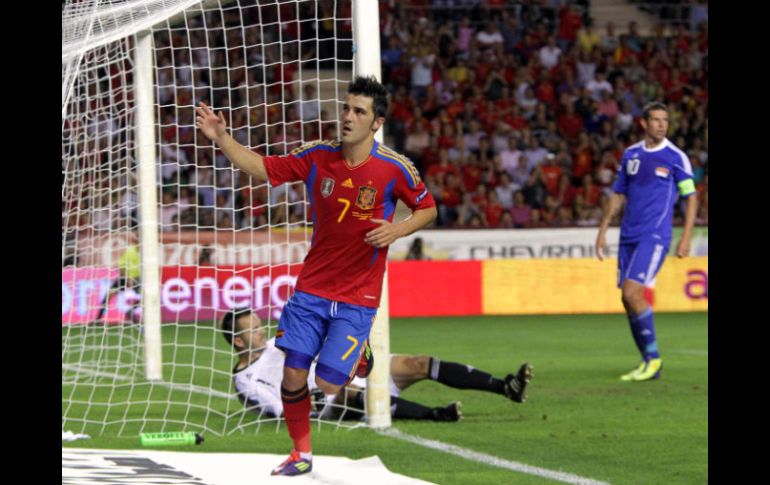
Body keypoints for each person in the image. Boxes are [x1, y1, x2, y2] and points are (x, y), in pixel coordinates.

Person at [196, 76, 438, 476]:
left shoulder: (395, 169)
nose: (347, 117)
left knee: (328, 383)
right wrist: (222, 137)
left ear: (376, 123)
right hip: (312, 288)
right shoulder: (317, 157)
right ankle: (301, 454)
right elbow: (263, 168)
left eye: (358, 112)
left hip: (358, 294)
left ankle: (360, 353)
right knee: (292, 372)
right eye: (346, 108)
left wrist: (398, 229)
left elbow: (428, 208)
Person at [221, 309, 533, 422]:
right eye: (253, 329)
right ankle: (435, 415)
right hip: (327, 401)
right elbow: (275, 408)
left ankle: (506, 387)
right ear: (237, 342)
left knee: (417, 362)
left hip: (342, 374)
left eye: (260, 325)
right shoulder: (245, 380)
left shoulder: (279, 342)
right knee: (349, 393)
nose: (261, 331)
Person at [595, 102, 698, 382]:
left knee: (632, 293)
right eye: (656, 120)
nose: (662, 125)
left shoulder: (676, 156)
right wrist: (603, 229)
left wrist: (685, 236)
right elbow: (618, 193)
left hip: (654, 235)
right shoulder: (631, 155)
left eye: (665, 120)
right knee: (627, 299)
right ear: (644, 123)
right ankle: (648, 362)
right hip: (628, 235)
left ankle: (653, 360)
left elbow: (691, 197)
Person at [95, 242, 141, 324]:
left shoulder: (147, 253)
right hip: (125, 277)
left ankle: (130, 312)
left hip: (138, 278)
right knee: (109, 295)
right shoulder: (131, 251)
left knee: (145, 298)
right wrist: (127, 278)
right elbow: (121, 264)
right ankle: (99, 317)